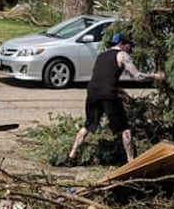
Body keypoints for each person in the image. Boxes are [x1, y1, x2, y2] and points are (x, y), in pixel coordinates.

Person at [67, 33, 163, 165]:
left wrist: (122, 93)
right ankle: (131, 162)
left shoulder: (101, 56)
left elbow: (103, 79)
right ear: (122, 44)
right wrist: (156, 76)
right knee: (125, 129)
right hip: (109, 95)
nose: (130, 49)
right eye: (129, 45)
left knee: (88, 125)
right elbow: (138, 76)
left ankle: (71, 156)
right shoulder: (122, 55)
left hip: (92, 92)